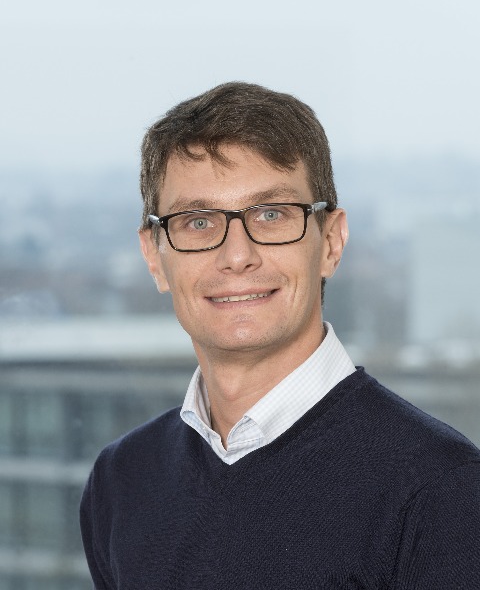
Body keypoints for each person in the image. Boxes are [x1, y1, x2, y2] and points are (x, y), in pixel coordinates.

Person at [80, 82, 480, 589]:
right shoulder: (122, 479)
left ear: (331, 241)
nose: (236, 256)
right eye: (198, 222)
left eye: (271, 215)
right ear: (154, 257)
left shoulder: (443, 488)